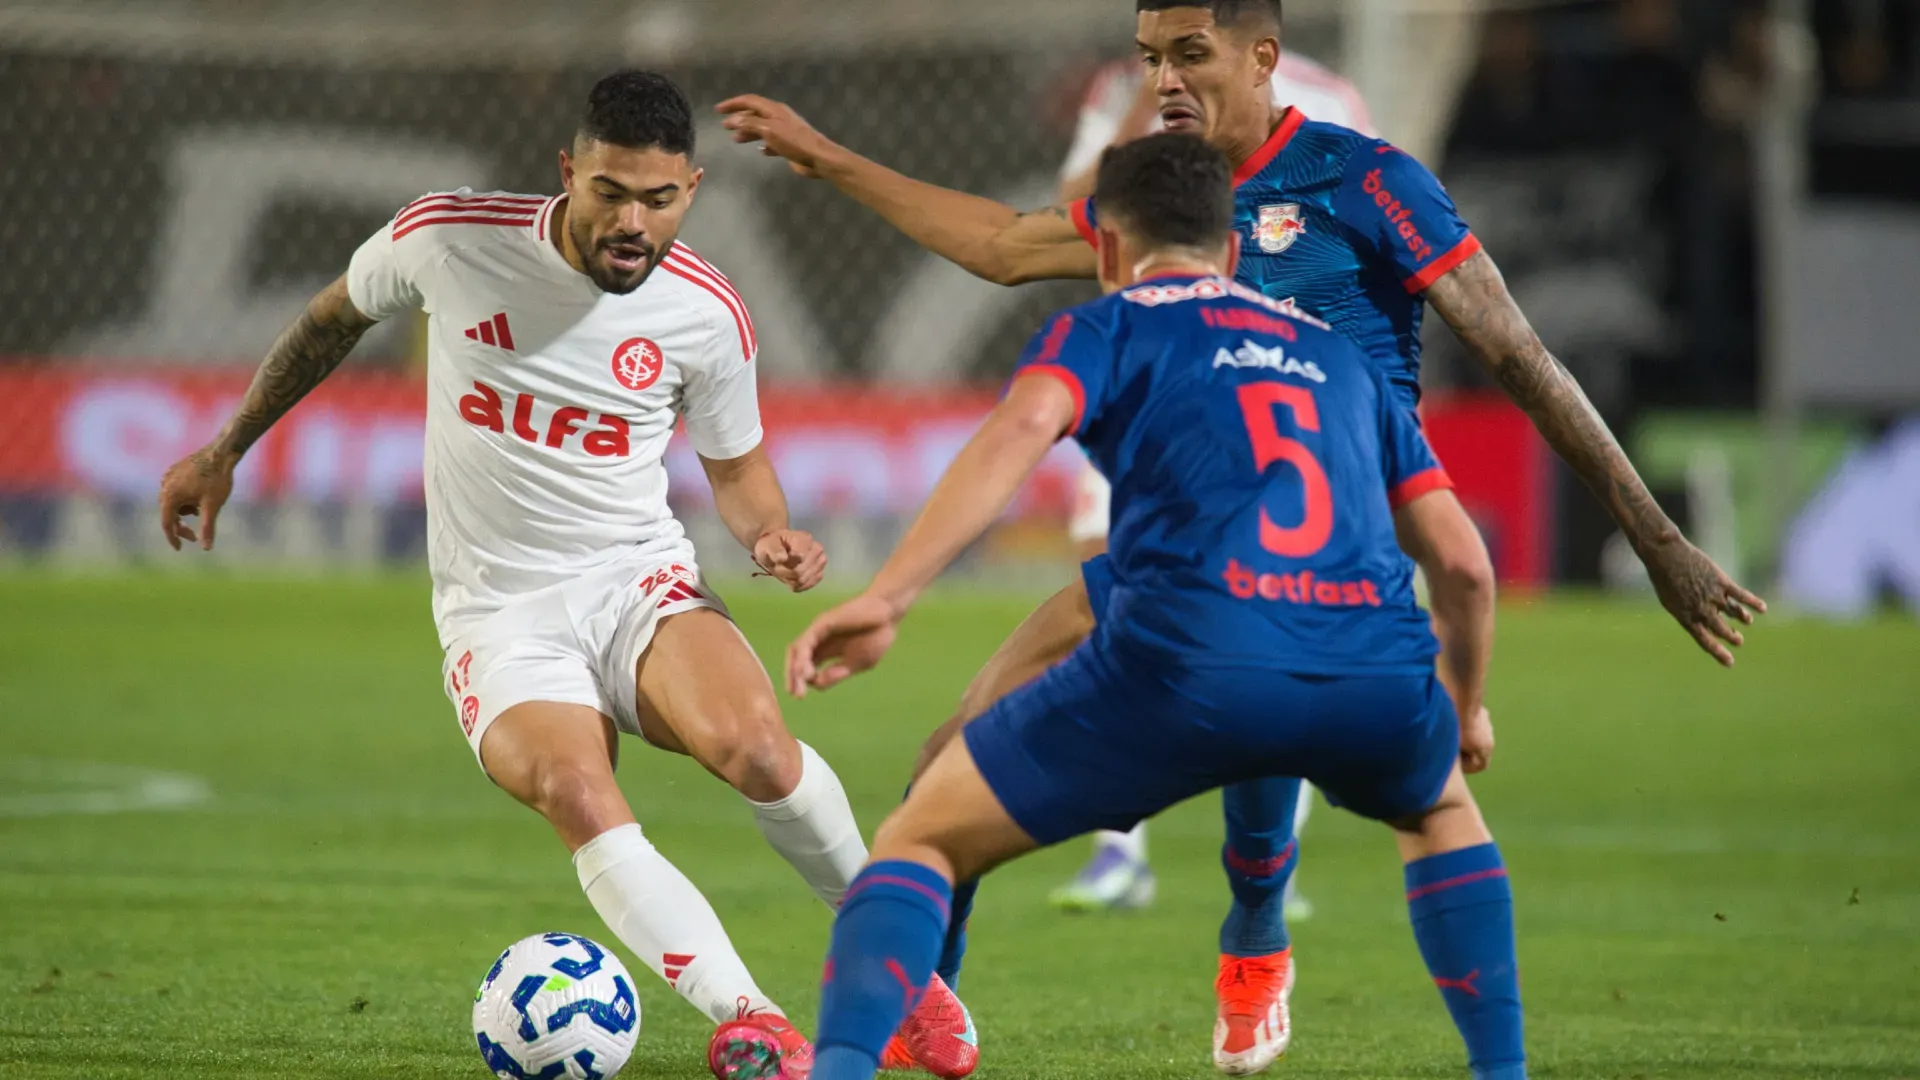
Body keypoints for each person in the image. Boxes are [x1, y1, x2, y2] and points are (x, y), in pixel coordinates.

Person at [721, 1, 1763, 1069]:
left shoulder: (1366, 182)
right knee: (947, 755)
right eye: (1147, 58)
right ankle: (922, 1021)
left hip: (1335, 547)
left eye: (1188, 55)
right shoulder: (1163, 201)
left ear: (1263, 57)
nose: (1164, 80)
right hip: (1162, 560)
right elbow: (996, 242)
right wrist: (831, 157)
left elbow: (1523, 358)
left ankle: (1255, 938)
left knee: (1247, 734)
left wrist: (1657, 538)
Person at [154, 69, 956, 1080]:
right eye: (611, 192)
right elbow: (329, 320)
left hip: (635, 581)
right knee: (578, 788)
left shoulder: (704, 313)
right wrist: (225, 449)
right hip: (499, 612)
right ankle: (752, 1018)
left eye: (658, 201)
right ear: (567, 172)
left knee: (758, 749)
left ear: (692, 191)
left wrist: (768, 538)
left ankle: (906, 976)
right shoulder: (448, 239)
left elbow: (739, 470)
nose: (633, 221)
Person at [785, 132, 1522, 1080]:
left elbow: (1016, 433)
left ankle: (854, 1055)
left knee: (922, 830)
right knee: (1444, 815)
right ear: (1229, 252)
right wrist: (1459, 705)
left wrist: (888, 595)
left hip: (1192, 653)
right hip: (1368, 659)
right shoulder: (1342, 363)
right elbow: (1464, 566)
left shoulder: (1110, 325)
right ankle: (1503, 1071)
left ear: (1105, 251)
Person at [1050, 38, 1373, 920]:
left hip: (1276, 391)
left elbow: (1366, 235)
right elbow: (1075, 211)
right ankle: (1118, 847)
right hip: (1154, 376)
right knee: (1103, 588)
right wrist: (1129, 118)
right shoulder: (1124, 87)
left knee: (1282, 605)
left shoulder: (1331, 99)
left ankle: (1273, 863)